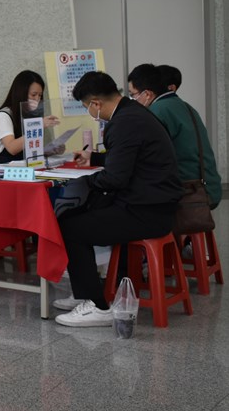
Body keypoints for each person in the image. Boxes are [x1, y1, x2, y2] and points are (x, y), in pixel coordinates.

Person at [54, 71, 182, 327]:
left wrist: (82, 180)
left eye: (87, 107)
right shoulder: (134, 114)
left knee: (71, 227)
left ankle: (97, 306)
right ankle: (85, 292)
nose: (90, 113)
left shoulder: (123, 123)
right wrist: (94, 159)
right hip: (156, 204)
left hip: (147, 212)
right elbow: (128, 157)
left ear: (96, 103)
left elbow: (115, 179)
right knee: (78, 216)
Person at [128, 63, 221, 208]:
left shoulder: (158, 111)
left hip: (187, 191)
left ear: (147, 93)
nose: (132, 99)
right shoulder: (186, 106)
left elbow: (144, 154)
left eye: (133, 94)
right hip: (208, 186)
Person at [0, 70, 60, 163]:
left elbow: (31, 149)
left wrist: (50, 150)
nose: (37, 99)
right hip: (6, 169)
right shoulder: (3, 116)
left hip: (27, 167)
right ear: (21, 93)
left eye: (40, 95)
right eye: (33, 95)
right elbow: (12, 148)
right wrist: (38, 126)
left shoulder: (29, 115)